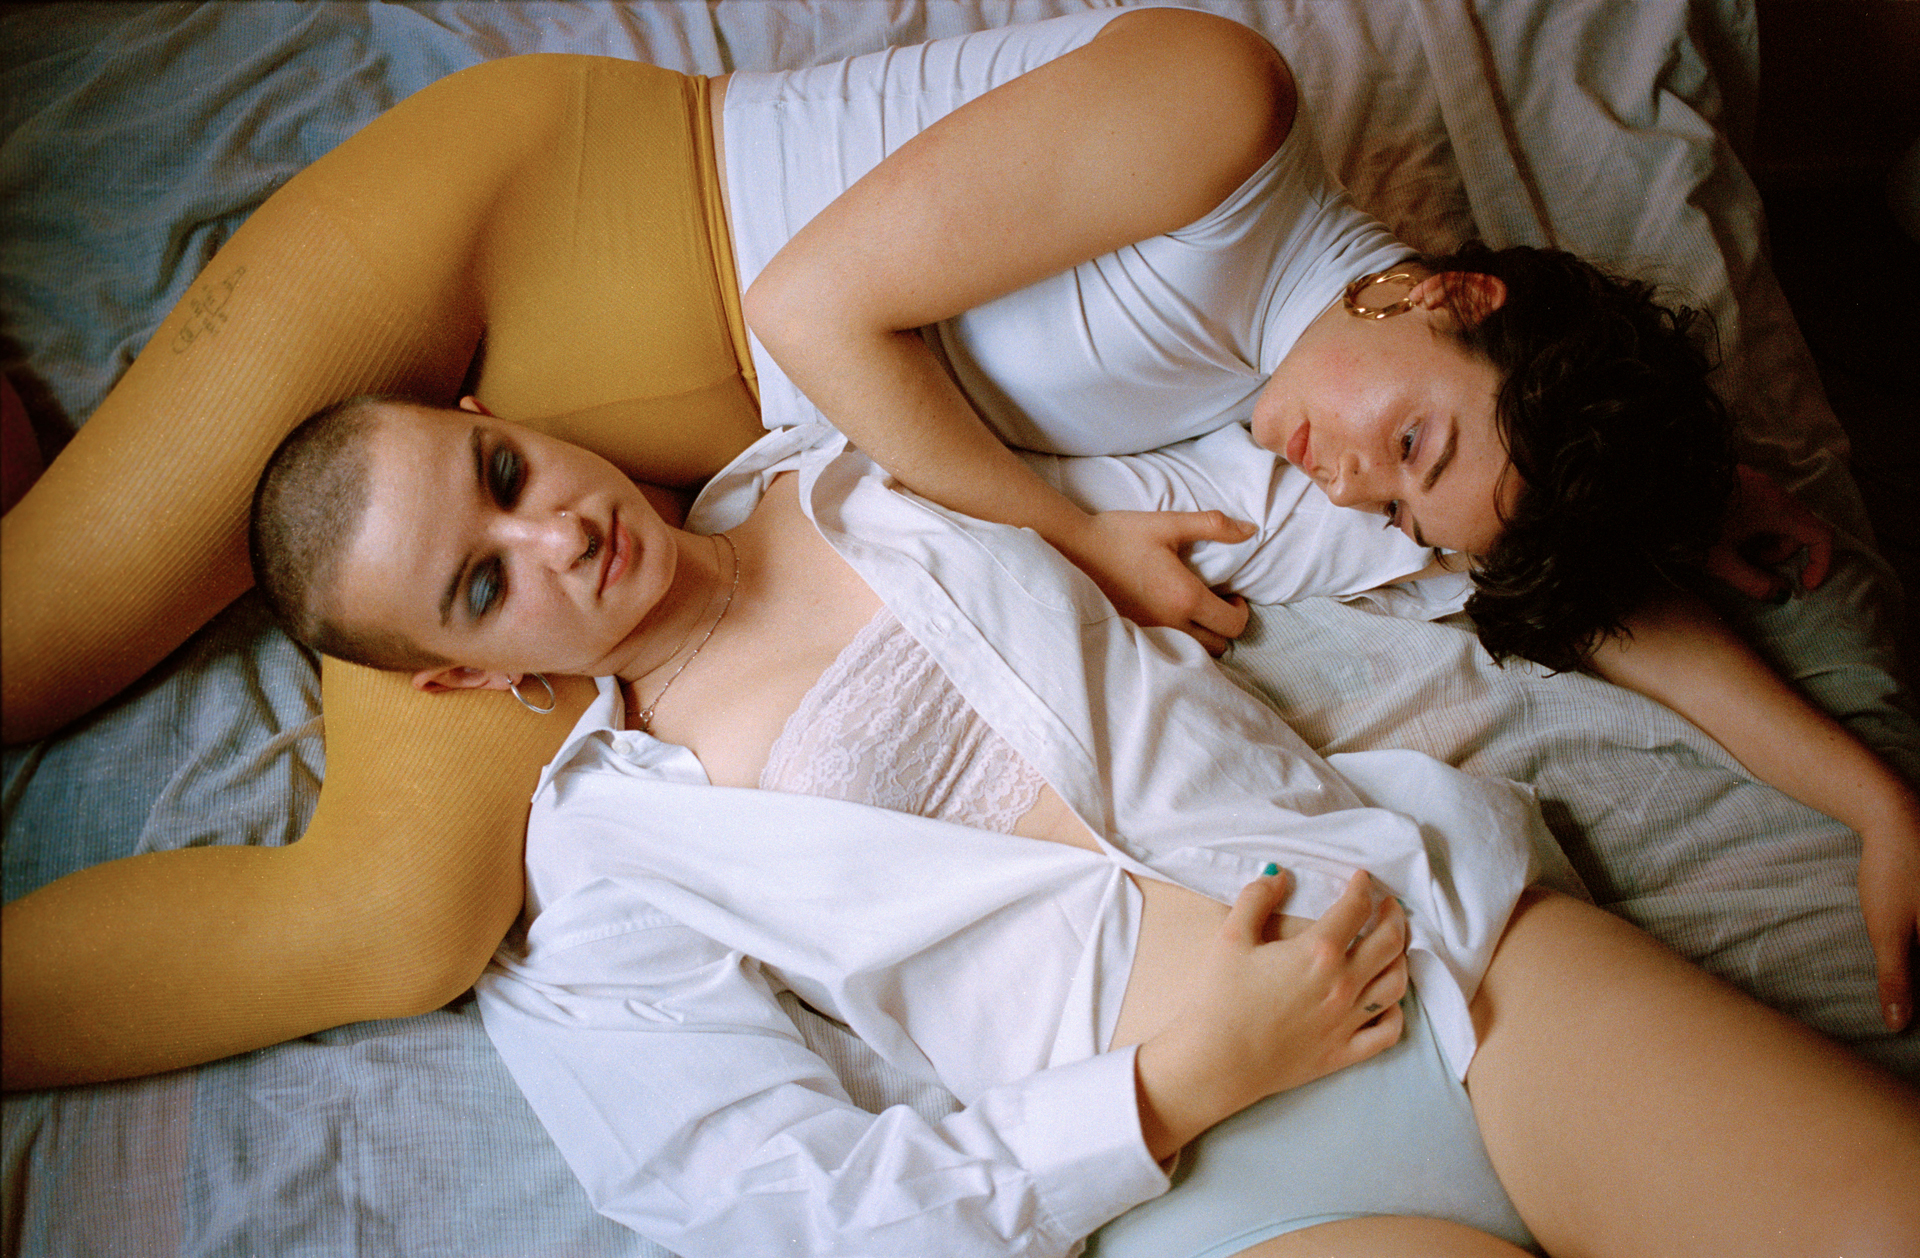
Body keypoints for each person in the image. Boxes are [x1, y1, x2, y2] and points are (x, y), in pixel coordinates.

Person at [2, 7, 1912, 1091]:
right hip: (566, 226)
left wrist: (1872, 795)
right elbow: (816, 306)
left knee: (393, 923)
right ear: (1453, 287)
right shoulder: (1221, 110)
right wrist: (1068, 529)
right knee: (27, 640)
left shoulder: (1317, 423)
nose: (1356, 480)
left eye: (1408, 505)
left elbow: (1581, 600)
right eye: (1406, 444)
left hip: (589, 500)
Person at [250, 395, 1920, 1258]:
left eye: (501, 473)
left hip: (1432, 941)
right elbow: (795, 1215)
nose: (551, 534)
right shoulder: (601, 885)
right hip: (1206, 1193)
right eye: (483, 585)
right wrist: (1173, 1083)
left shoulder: (864, 464)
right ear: (463, 680)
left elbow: (1279, 493)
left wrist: (1631, 507)